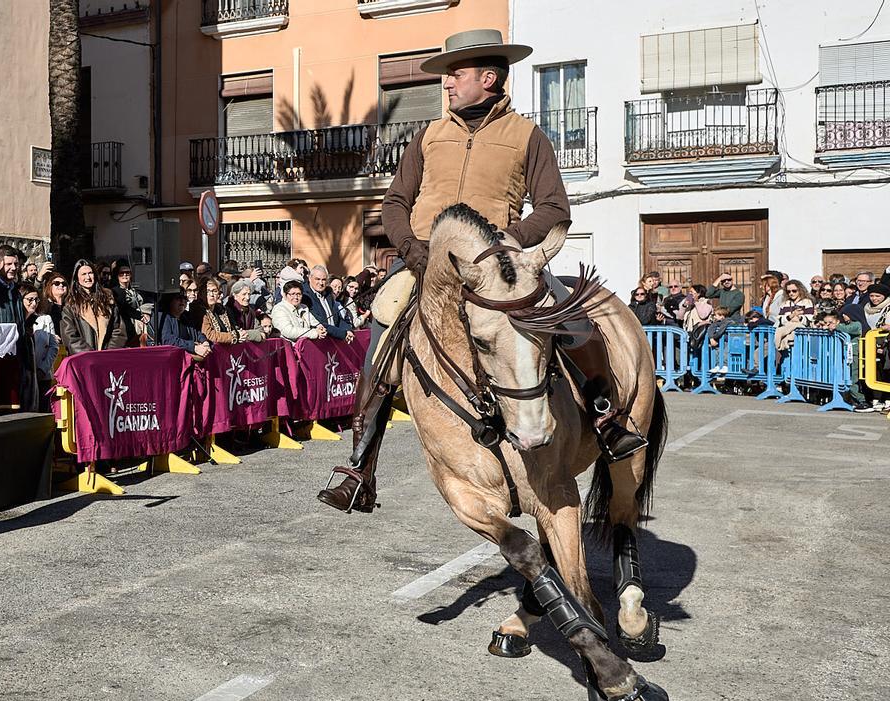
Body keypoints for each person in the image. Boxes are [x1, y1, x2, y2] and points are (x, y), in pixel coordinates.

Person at [319, 30, 649, 512]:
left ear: (488, 77)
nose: (447, 83)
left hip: (502, 267)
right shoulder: (429, 135)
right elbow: (395, 202)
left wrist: (505, 245)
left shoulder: (526, 135)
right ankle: (359, 466)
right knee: (383, 329)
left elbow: (554, 208)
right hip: (427, 263)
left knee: (572, 318)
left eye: (456, 73)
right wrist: (411, 249)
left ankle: (607, 418)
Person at [0, 244, 38, 410]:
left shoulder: (15, 289)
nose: (14, 268)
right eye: (9, 264)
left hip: (18, 351)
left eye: (16, 264)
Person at [61, 259, 126, 353]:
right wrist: (91, 355)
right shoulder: (71, 305)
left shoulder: (108, 300)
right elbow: (70, 337)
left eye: (90, 273)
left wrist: (108, 353)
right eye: (83, 274)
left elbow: (118, 330)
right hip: (84, 361)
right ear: (77, 278)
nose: (88, 277)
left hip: (107, 358)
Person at [150, 292, 211, 358]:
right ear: (170, 300)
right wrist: (194, 347)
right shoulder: (161, 317)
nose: (182, 301)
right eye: (178, 298)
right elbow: (168, 340)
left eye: (184, 298)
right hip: (169, 359)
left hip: (188, 358)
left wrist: (205, 342)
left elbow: (196, 332)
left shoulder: (185, 316)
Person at [302, 266, 354, 343]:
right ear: (310, 278)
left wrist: (347, 330)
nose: (321, 283)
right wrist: (343, 333)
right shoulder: (305, 296)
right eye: (317, 279)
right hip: (317, 342)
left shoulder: (328, 294)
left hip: (334, 340)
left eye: (323, 280)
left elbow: (338, 317)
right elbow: (319, 322)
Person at [111, 261, 145, 346]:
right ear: (117, 275)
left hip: (141, 325)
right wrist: (140, 316)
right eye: (121, 273)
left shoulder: (137, 289)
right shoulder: (115, 291)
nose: (125, 275)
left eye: (127, 273)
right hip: (127, 327)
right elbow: (123, 308)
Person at [200, 278, 241, 345]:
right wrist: (233, 336)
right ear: (202, 293)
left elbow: (232, 328)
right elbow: (209, 335)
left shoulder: (221, 309)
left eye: (214, 291)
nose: (211, 295)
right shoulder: (199, 310)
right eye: (207, 291)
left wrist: (239, 334)